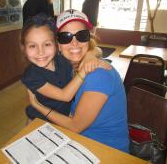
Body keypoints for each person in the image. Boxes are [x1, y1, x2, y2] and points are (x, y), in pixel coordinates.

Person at [28, 9, 129, 153]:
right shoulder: (66, 65)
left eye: (81, 35)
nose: (74, 43)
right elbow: (96, 50)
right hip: (82, 142)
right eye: (65, 37)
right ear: (57, 44)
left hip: (106, 151)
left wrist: (37, 105)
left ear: (89, 38)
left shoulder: (97, 75)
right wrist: (92, 53)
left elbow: (75, 126)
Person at [21, 13, 107, 122]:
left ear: (56, 45)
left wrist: (90, 55)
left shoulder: (62, 58)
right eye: (32, 46)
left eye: (47, 44)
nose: (40, 52)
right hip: (39, 120)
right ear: (24, 48)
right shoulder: (31, 75)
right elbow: (65, 96)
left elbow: (98, 50)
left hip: (64, 119)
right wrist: (83, 71)